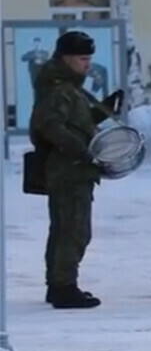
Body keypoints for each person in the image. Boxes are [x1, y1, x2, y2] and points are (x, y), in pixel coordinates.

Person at [29, 31, 123, 308]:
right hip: (69, 168)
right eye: (82, 59)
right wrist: (83, 151)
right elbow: (50, 126)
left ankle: (58, 284)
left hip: (71, 167)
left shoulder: (68, 88)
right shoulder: (59, 89)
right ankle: (64, 287)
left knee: (65, 228)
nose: (87, 65)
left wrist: (101, 110)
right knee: (73, 230)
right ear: (66, 58)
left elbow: (74, 122)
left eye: (89, 59)